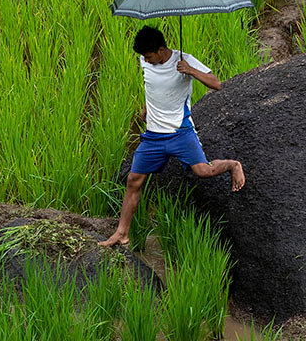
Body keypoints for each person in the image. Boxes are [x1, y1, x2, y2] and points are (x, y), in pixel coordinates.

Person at [98, 25, 245, 248]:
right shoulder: (144, 60)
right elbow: (150, 86)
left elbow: (217, 84)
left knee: (203, 171)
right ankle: (122, 233)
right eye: (143, 57)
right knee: (133, 180)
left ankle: (233, 165)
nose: (145, 61)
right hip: (153, 137)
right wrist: (148, 107)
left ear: (160, 50)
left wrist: (190, 71)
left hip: (180, 132)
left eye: (148, 56)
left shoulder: (184, 59)